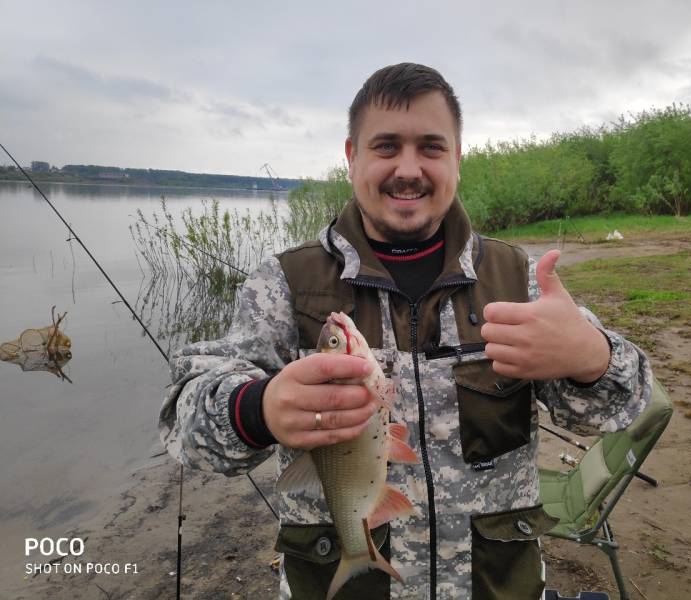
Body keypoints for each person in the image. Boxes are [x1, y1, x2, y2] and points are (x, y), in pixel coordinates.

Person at [160, 62, 653, 599]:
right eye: (387, 146)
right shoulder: (282, 283)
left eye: (432, 147)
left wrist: (592, 358)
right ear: (352, 157)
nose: (409, 168)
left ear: (458, 158)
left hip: (494, 584)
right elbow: (185, 428)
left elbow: (619, 409)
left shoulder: (517, 279)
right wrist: (259, 408)